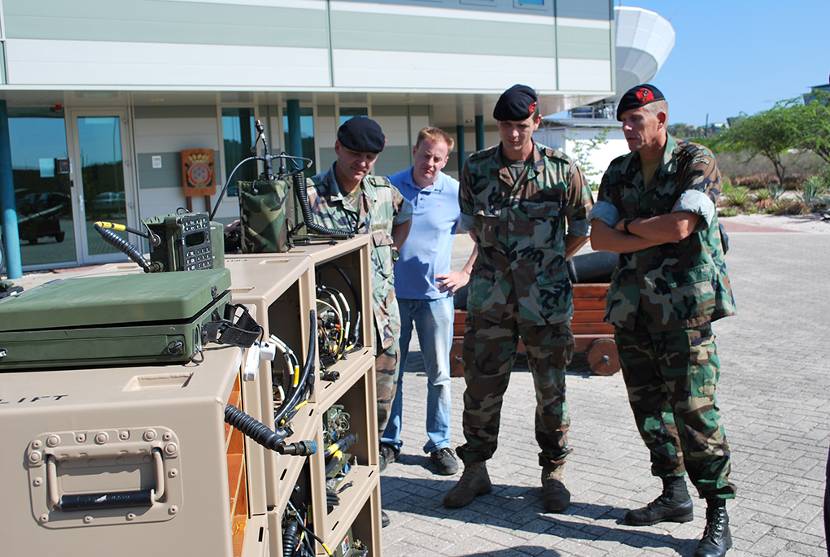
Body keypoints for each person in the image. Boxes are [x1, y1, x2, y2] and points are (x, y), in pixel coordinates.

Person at [589, 83, 736, 557]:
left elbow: (681, 225)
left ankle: (717, 512)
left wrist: (629, 227)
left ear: (662, 118)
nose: (628, 129)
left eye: (636, 120)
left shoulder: (696, 160)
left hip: (684, 311)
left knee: (695, 411)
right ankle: (674, 495)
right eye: (623, 122)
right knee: (649, 410)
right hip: (633, 309)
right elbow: (599, 239)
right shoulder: (619, 171)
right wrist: (645, 231)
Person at [442, 84, 593, 513]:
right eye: (506, 125)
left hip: (545, 302)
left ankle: (554, 472)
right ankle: (475, 469)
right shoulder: (476, 168)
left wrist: (546, 264)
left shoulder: (562, 170)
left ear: (536, 123)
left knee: (551, 389)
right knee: (481, 386)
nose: (513, 134)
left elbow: (581, 229)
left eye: (521, 125)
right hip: (491, 301)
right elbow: (474, 227)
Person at [306, 116, 412, 527]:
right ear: (337, 148)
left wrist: (390, 256)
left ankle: (367, 493)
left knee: (376, 418)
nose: (362, 164)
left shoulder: (385, 193)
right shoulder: (308, 196)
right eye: (355, 154)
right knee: (335, 418)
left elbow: (404, 219)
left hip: (381, 328)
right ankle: (333, 493)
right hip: (333, 338)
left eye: (370, 157)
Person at [380, 127, 478, 476]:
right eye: (426, 155)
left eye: (438, 158)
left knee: (439, 375)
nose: (431, 164)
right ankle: (388, 441)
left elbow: (483, 235)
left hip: (436, 300)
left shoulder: (454, 192)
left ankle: (439, 443)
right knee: (391, 374)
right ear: (415, 151)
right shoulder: (390, 187)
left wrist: (465, 273)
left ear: (446, 160)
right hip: (392, 298)